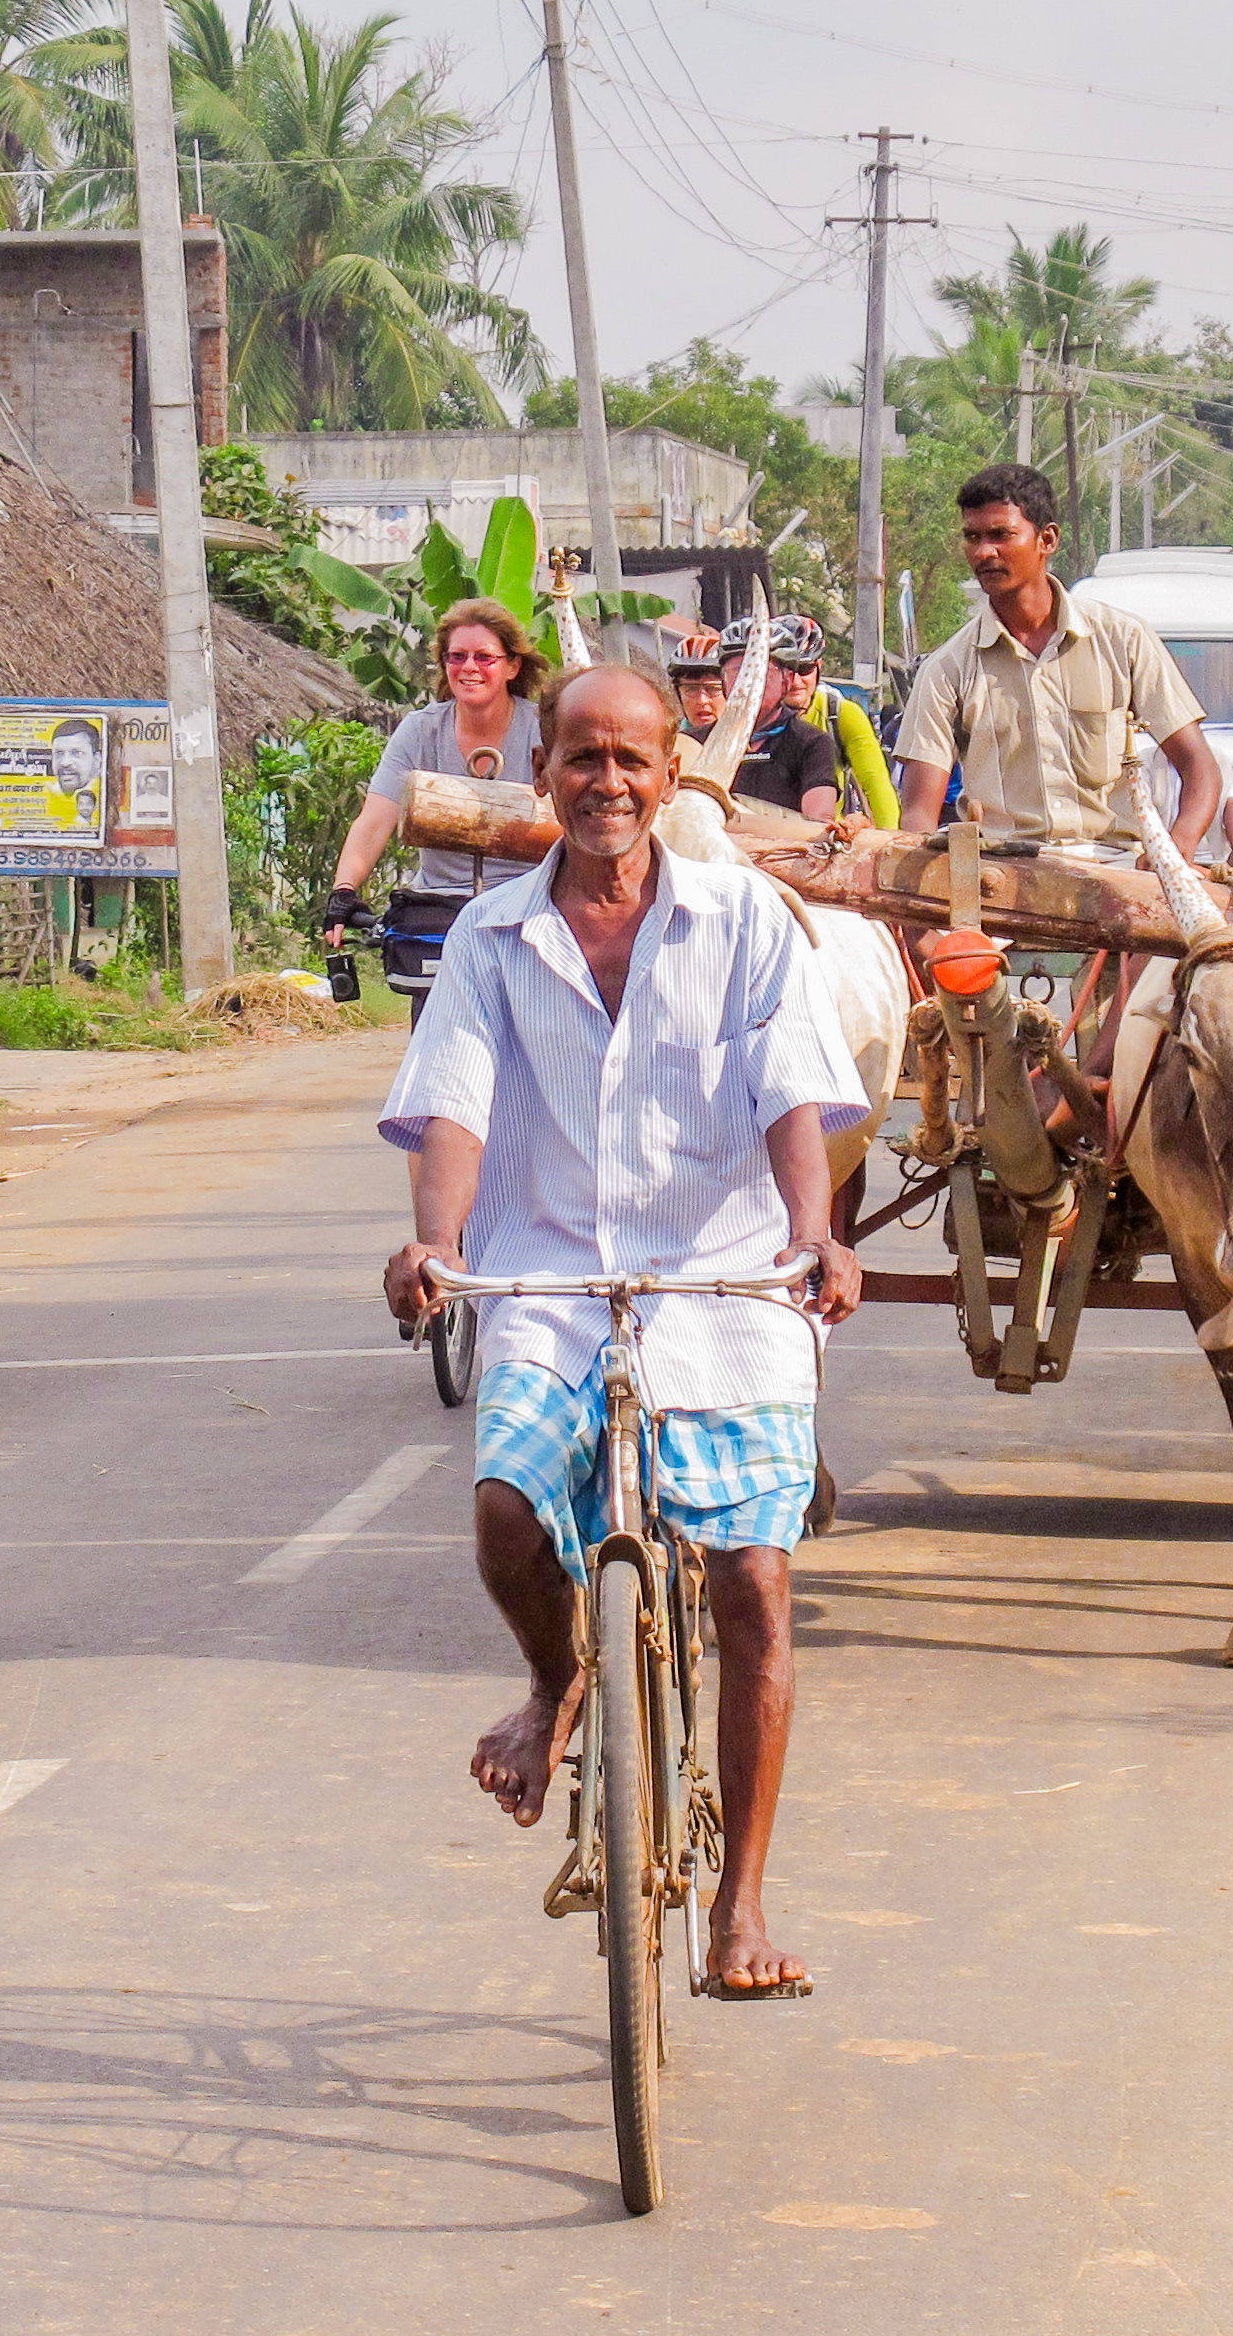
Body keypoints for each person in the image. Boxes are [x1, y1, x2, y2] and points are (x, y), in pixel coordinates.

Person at [380, 661, 869, 1999]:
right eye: (581, 757)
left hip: (724, 1274)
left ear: (671, 779)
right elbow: (455, 1111)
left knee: (755, 1581)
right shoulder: (490, 940)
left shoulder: (747, 920)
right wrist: (436, 1242)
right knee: (500, 1510)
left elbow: (791, 1090)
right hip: (544, 1272)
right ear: (543, 771)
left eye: (631, 761)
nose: (606, 782)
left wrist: (816, 1231)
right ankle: (555, 1688)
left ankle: (742, 1904)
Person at [891, 463, 1224, 859]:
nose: (984, 552)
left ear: (1046, 540)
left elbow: (1198, 764)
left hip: (1116, 869)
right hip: (998, 876)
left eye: (1001, 535)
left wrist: (1177, 846)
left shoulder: (1123, 639)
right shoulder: (947, 668)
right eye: (973, 537)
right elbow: (918, 815)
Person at [326, 598, 550, 987]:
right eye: (457, 656)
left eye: (484, 658)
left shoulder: (544, 730)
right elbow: (376, 818)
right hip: (441, 912)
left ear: (512, 666)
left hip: (530, 905)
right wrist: (343, 891)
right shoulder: (420, 731)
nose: (469, 668)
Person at [669, 618, 841, 819]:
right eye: (736, 671)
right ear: (723, 679)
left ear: (787, 680)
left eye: (762, 671)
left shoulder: (811, 742)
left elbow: (819, 823)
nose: (748, 680)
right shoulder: (693, 741)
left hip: (781, 848)